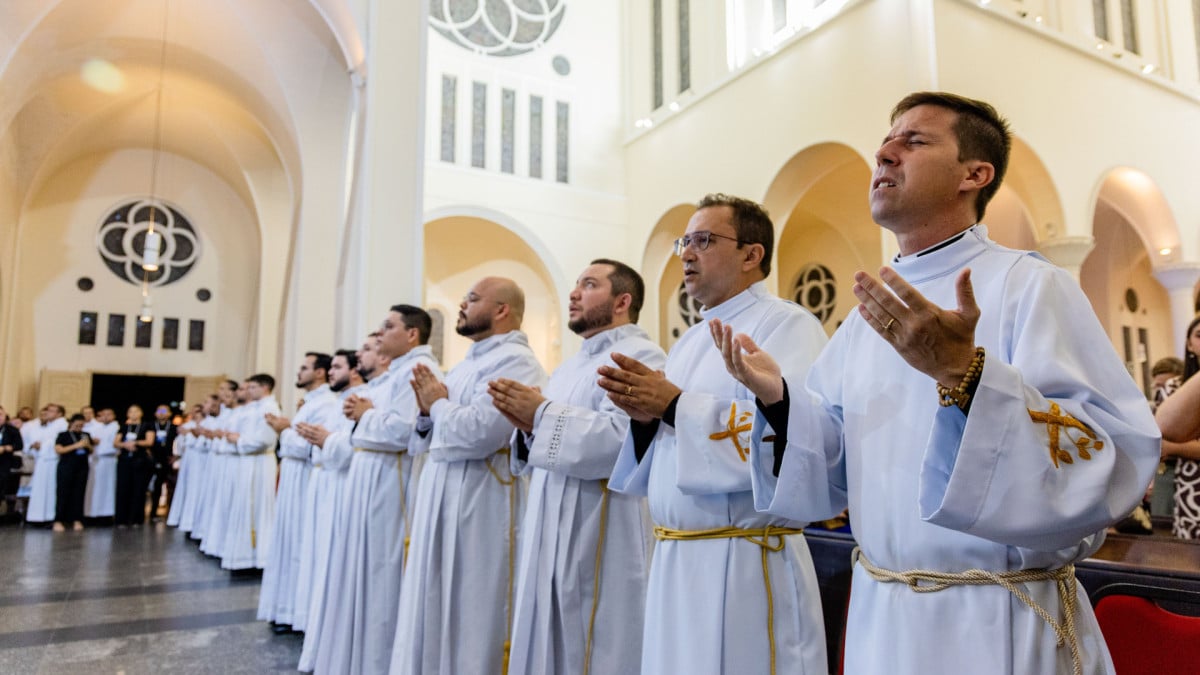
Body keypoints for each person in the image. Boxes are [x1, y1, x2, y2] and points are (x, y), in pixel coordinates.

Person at [710, 92, 1161, 675]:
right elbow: (831, 472)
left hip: (999, 615)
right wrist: (780, 400)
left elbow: (1109, 454)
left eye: (914, 141)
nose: (884, 153)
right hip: (884, 612)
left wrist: (966, 377)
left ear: (975, 175)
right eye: (886, 140)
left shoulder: (1030, 286)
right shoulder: (867, 318)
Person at [595, 195, 830, 675]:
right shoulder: (689, 341)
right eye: (684, 242)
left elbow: (796, 437)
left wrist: (673, 406)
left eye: (703, 240)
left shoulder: (787, 325)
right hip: (676, 558)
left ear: (751, 254)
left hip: (745, 559)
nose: (686, 253)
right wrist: (646, 418)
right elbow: (673, 439)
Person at [489, 260, 665, 675]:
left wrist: (541, 414)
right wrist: (528, 427)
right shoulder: (569, 366)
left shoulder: (640, 355)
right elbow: (544, 438)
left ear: (622, 301)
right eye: (577, 284)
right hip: (549, 523)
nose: (573, 293)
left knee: (596, 644)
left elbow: (622, 440)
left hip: (603, 526)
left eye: (589, 284)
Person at [390, 278, 548, 675]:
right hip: (443, 497)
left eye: (472, 299)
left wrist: (437, 406)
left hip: (482, 503)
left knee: (474, 610)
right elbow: (431, 435)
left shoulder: (515, 361)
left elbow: (478, 433)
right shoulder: (467, 364)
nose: (462, 304)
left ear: (501, 310)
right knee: (435, 601)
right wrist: (426, 414)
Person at [313, 309, 441, 675]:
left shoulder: (418, 372)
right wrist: (363, 416)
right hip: (370, 482)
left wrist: (365, 415)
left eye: (389, 326)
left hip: (391, 486)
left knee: (383, 582)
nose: (380, 333)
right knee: (364, 579)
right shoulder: (394, 375)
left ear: (412, 334)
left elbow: (403, 432)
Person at [296, 343, 375, 672]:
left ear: (355, 371)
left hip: (343, 484)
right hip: (325, 478)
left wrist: (326, 439)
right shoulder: (338, 401)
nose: (331, 372)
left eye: (338, 367)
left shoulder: (358, 399)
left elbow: (348, 446)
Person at [258, 352, 333, 632]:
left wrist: (284, 429)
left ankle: (296, 612)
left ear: (320, 372)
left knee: (299, 544)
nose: (298, 372)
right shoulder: (311, 402)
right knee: (287, 542)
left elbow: (305, 445)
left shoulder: (326, 403)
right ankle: (283, 608)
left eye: (304, 367)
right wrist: (289, 429)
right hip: (292, 475)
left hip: (303, 477)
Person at [220, 374, 281, 571]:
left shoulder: (269, 408)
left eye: (253, 387)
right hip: (249, 460)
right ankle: (245, 554)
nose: (248, 391)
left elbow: (264, 440)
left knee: (257, 508)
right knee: (246, 506)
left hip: (260, 462)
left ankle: (258, 556)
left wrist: (238, 440)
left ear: (265, 388)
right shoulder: (255, 408)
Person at [1159, 315, 1200, 539]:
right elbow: (1162, 431)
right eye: (1199, 335)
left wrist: (1174, 448)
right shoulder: (1173, 387)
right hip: (1191, 482)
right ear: (1189, 344)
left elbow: (1168, 444)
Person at [25, 404, 68, 525]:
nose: (48, 413)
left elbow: (57, 442)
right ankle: (38, 517)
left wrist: (42, 445)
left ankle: (50, 517)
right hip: (42, 461)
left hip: (53, 461)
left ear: (59, 414)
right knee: (40, 490)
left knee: (50, 490)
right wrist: (35, 445)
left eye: (51, 411)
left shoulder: (62, 424)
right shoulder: (47, 425)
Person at [114, 405, 154, 527]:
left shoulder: (147, 426)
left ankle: (136, 518)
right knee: (123, 488)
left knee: (138, 489)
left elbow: (149, 441)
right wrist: (125, 445)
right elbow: (116, 442)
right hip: (125, 459)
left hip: (140, 460)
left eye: (136, 411)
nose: (133, 414)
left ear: (141, 413)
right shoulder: (124, 427)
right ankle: (121, 519)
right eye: (130, 411)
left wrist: (135, 443)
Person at [166, 404, 206, 527]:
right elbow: (180, 443)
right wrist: (178, 454)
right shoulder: (187, 425)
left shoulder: (205, 424)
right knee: (184, 487)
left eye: (198, 412)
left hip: (200, 459)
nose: (195, 414)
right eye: (193, 412)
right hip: (187, 458)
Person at [53, 413, 93, 531]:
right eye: (77, 425)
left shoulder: (85, 435)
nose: (79, 428)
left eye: (81, 425)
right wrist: (76, 446)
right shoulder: (63, 435)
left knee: (79, 493)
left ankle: (77, 519)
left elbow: (91, 450)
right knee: (63, 493)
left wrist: (87, 445)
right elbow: (59, 449)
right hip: (66, 467)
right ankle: (59, 520)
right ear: (71, 423)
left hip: (82, 467)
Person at [83, 408, 119, 521]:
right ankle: (92, 513)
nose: (106, 417)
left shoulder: (116, 427)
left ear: (113, 416)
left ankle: (106, 514)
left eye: (109, 414)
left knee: (108, 488)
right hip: (96, 460)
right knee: (94, 488)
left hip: (109, 460)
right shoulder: (96, 427)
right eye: (103, 414)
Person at [147, 404, 178, 522]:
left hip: (168, 459)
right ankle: (151, 512)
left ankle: (170, 513)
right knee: (153, 486)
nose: (161, 413)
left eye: (164, 411)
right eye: (159, 411)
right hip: (153, 459)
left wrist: (175, 457)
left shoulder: (174, 428)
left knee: (169, 487)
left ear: (169, 413)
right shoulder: (150, 426)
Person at [0, 407, 24, 508]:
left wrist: (6, 447)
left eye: (1, 415)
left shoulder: (12, 430)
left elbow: (19, 445)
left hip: (4, 463)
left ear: (5, 416)